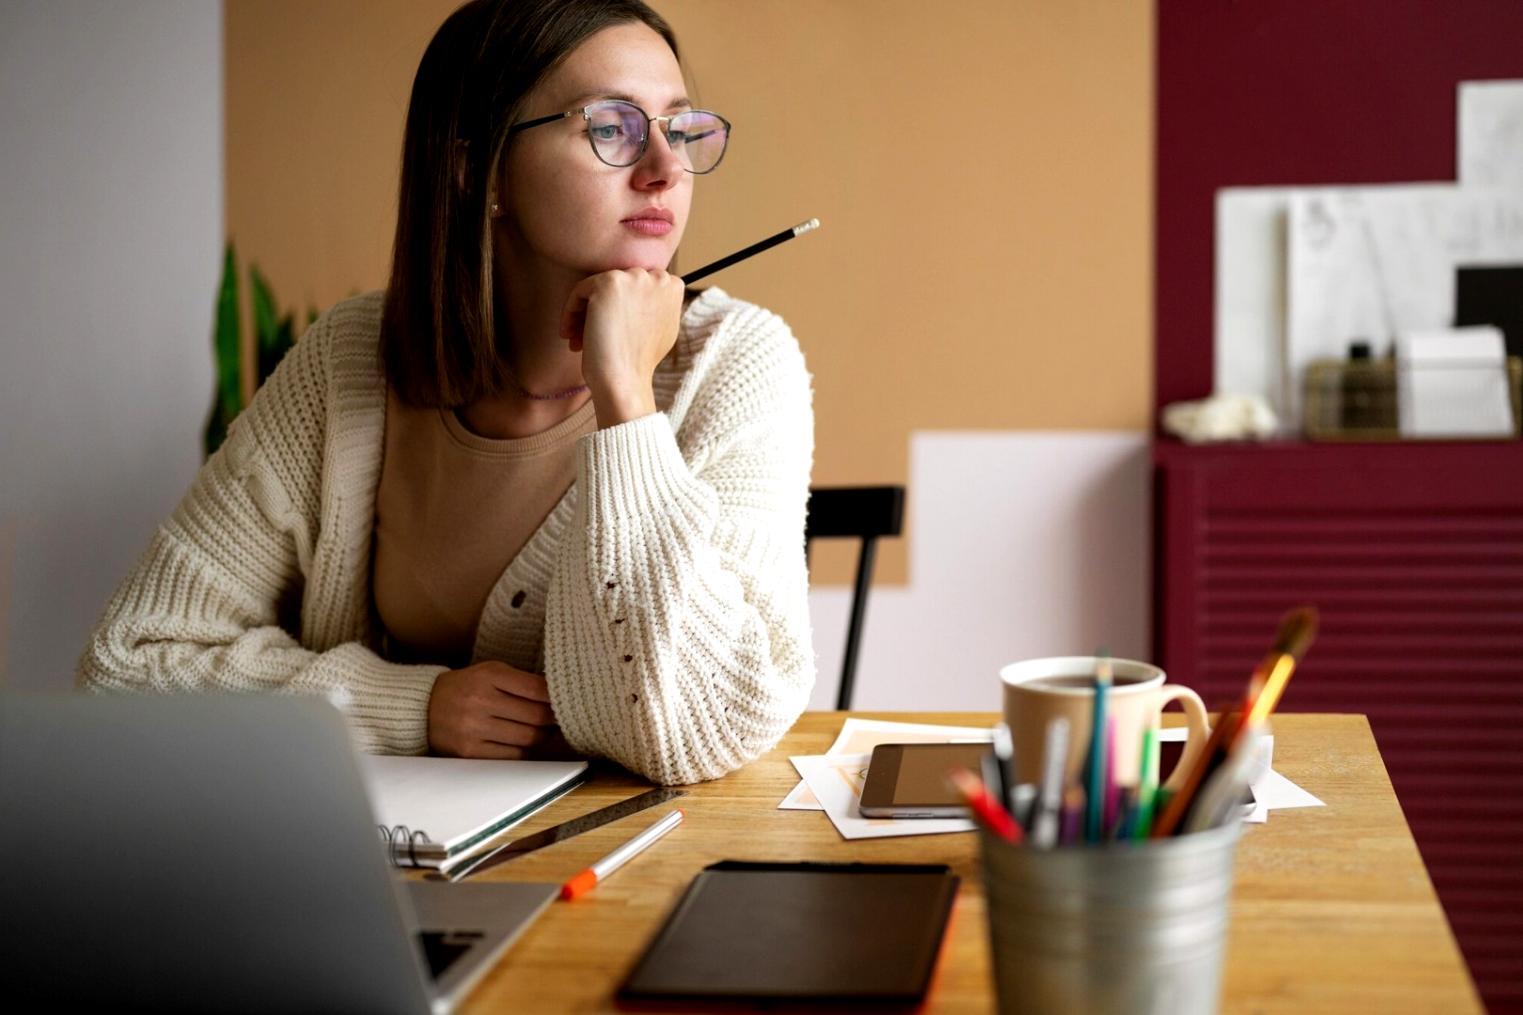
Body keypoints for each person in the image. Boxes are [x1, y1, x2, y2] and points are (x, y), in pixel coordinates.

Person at [76, 0, 815, 786]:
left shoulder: (733, 362)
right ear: (477, 166)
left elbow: (699, 731)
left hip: (629, 864)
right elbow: (132, 664)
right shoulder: (350, 361)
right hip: (395, 864)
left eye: (680, 125)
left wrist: (625, 398)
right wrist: (408, 706)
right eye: (612, 128)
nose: (665, 168)